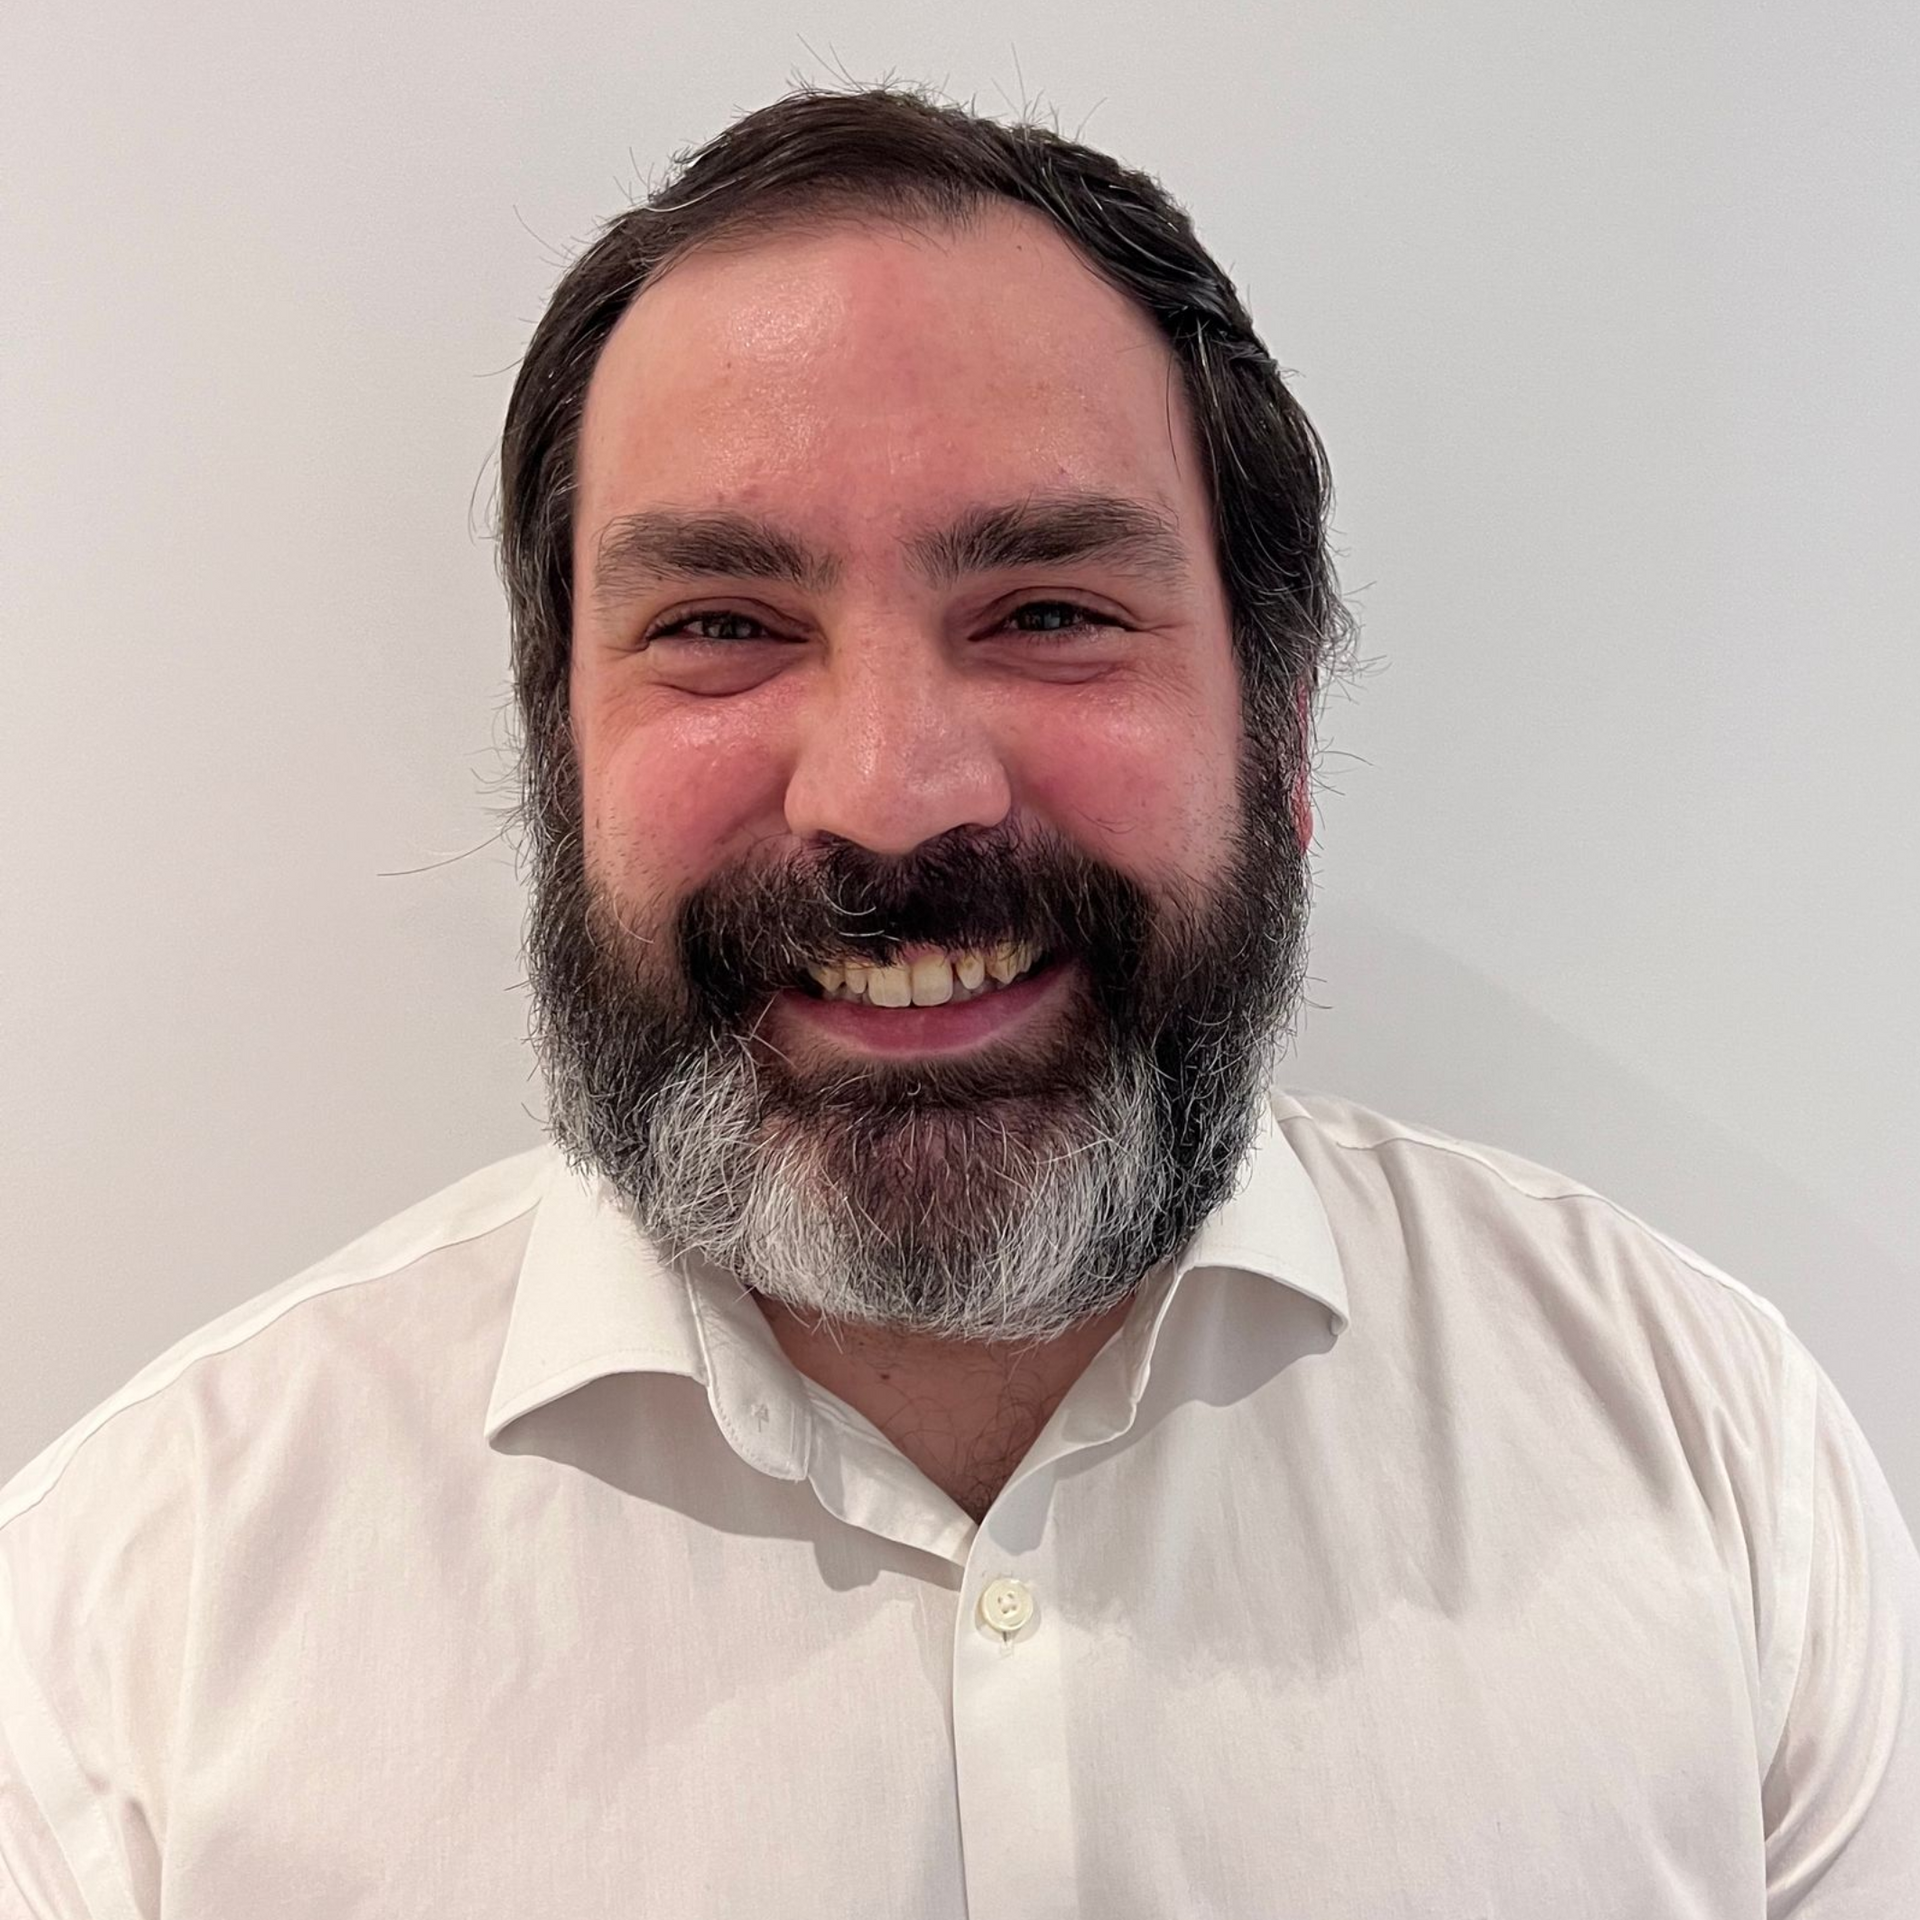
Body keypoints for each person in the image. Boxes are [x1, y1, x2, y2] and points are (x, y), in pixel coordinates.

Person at [2, 81, 1914, 1919]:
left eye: (1050, 613)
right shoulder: (131, 1624)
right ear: (559, 749)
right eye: (722, 627)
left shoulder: (1708, 1452)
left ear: (1281, 729)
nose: (894, 791)